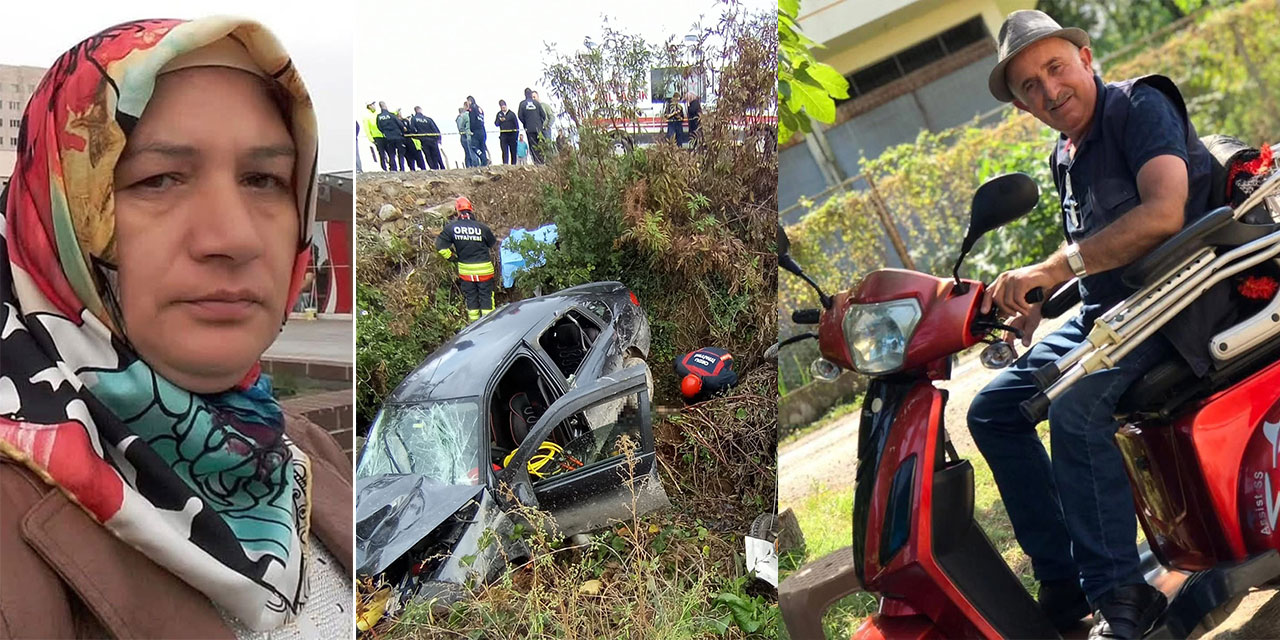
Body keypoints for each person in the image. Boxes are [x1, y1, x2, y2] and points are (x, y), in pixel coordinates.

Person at [0, 19, 352, 638]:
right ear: (56, 219)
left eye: (264, 180)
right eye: (158, 179)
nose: (235, 237)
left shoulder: (300, 452)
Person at [967, 10, 1221, 638]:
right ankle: (1062, 583)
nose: (1049, 91)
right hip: (1108, 312)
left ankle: (1122, 597)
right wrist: (1037, 302)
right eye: (1029, 86)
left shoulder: (1139, 105)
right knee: (993, 410)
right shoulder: (1065, 154)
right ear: (1021, 105)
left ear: (1085, 56)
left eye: (1055, 68)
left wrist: (1055, 266)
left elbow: (1164, 214)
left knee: (1078, 411)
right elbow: (1095, 258)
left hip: (1173, 304)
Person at [436, 197, 498, 321]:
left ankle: (474, 326)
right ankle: (489, 325)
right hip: (484, 270)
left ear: (458, 211)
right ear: (471, 210)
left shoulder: (451, 228)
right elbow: (492, 243)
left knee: (471, 299)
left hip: (466, 272)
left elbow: (441, 247)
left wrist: (452, 258)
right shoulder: (482, 228)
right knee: (486, 298)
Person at [674, 347, 739, 403]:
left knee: (710, 391)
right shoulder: (680, 366)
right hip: (706, 350)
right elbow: (679, 358)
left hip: (724, 356)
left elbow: (733, 377)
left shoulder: (714, 380)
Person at [376, 101, 408, 171]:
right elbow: (399, 124)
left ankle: (393, 168)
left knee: (391, 154)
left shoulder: (379, 117)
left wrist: (385, 132)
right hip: (397, 136)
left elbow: (379, 127)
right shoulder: (391, 115)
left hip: (388, 137)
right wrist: (403, 128)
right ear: (385, 106)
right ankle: (402, 168)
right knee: (400, 153)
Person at [518, 87, 547, 164]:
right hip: (538, 128)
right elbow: (543, 115)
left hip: (529, 128)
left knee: (533, 145)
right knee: (540, 145)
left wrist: (526, 123)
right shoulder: (537, 103)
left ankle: (536, 162)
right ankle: (542, 161)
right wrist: (540, 123)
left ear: (525, 95)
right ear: (531, 94)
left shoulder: (522, 104)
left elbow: (520, 116)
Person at [365, 101, 390, 170]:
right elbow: (366, 129)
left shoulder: (378, 114)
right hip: (376, 137)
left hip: (384, 135)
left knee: (389, 151)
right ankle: (384, 168)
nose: (374, 106)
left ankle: (391, 166)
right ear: (369, 106)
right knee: (381, 153)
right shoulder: (366, 116)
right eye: (372, 105)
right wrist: (371, 139)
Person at [467, 95, 491, 166]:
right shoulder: (480, 108)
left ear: (470, 101)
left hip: (476, 131)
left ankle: (484, 159)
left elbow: (472, 120)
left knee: (474, 147)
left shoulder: (472, 108)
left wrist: (471, 130)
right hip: (483, 130)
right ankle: (484, 164)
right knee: (482, 147)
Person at [495, 100, 520, 165]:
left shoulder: (511, 114)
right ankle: (505, 164)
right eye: (501, 106)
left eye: (504, 106)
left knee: (513, 151)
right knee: (504, 151)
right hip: (503, 136)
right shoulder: (499, 114)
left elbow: (516, 125)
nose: (503, 107)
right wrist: (500, 120)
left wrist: (516, 136)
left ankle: (513, 164)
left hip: (512, 135)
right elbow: (496, 124)